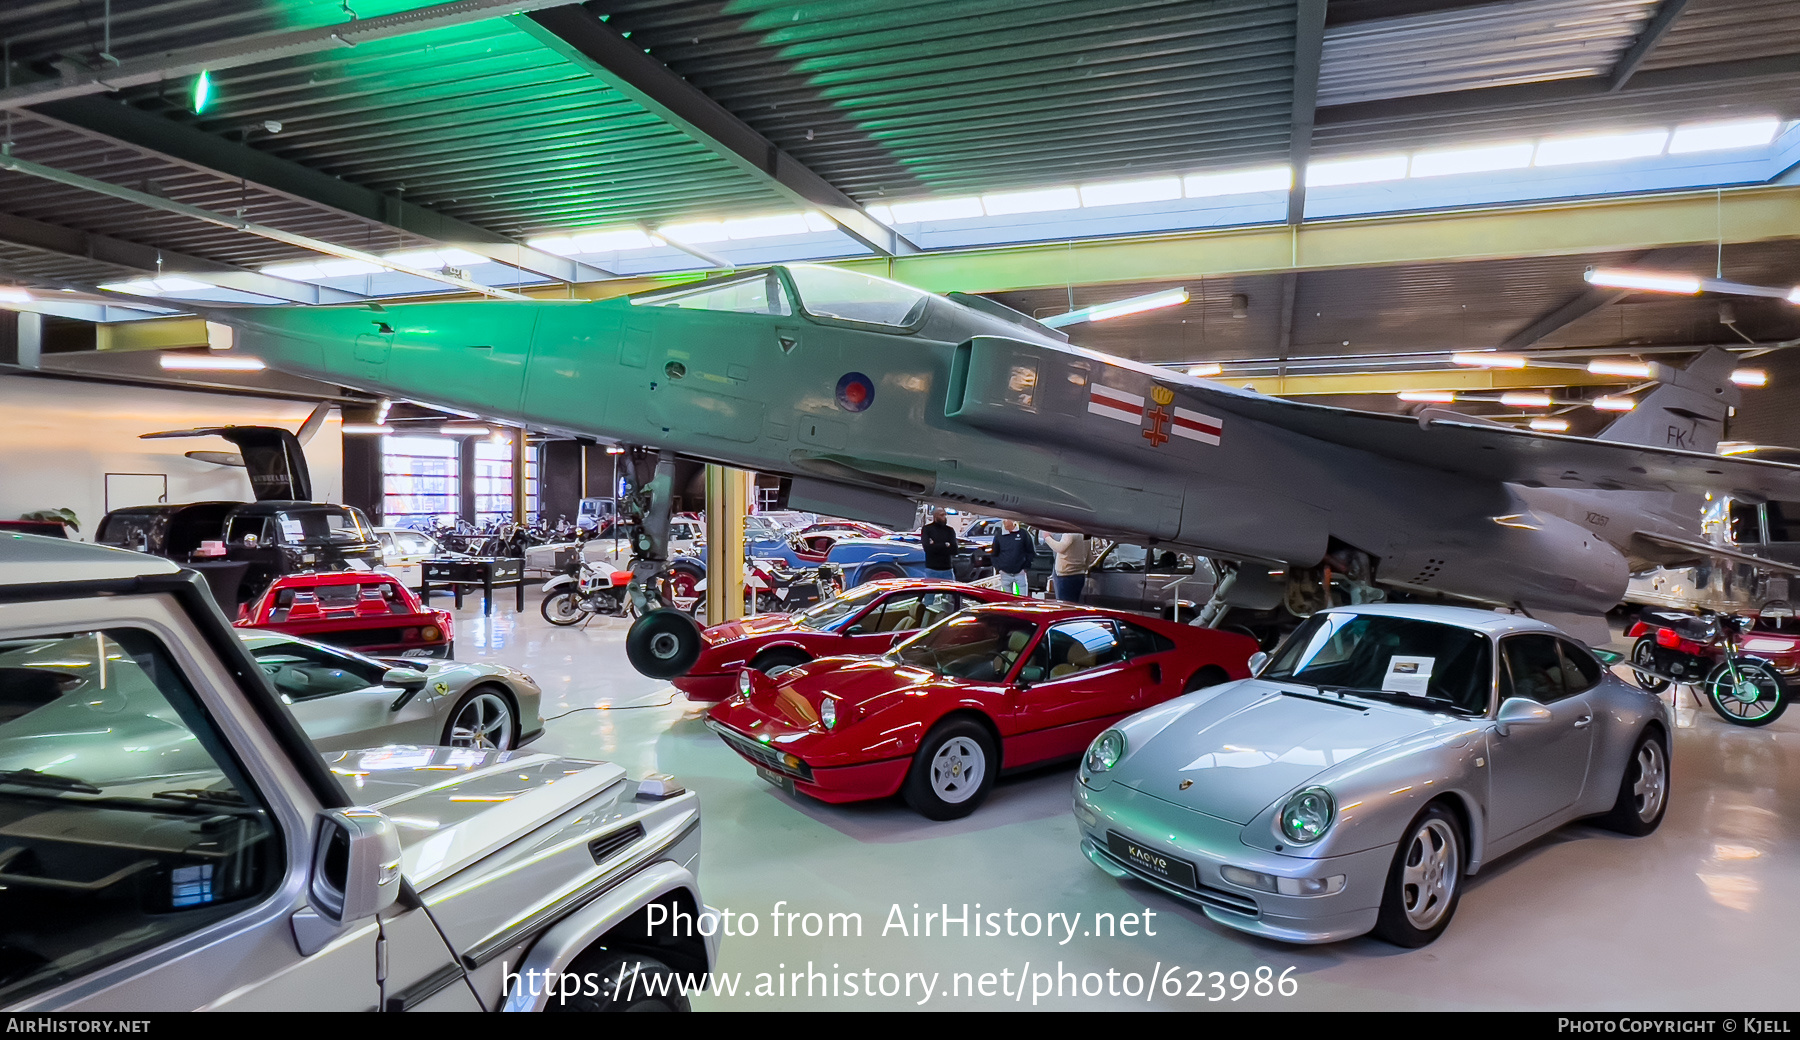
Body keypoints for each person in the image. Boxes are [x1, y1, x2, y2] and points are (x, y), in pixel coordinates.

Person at [1042, 531, 1092, 602]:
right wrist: (1085, 568)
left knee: (1064, 604)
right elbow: (1089, 555)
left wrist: (1047, 538)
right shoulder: (1086, 534)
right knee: (1075, 603)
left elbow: (1060, 548)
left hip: (1066, 574)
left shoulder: (1069, 533)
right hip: (1080, 574)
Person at [989, 519, 1033, 597]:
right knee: (1007, 598)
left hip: (1020, 572)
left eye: (1007, 520)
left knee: (1023, 598)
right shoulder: (999, 535)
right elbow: (994, 552)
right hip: (1005, 572)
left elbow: (1030, 551)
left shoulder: (1023, 533)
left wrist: (1026, 567)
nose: (1004, 522)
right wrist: (999, 568)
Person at [919, 507, 958, 580]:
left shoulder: (949, 530)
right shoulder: (927, 529)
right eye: (941, 515)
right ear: (935, 516)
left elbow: (954, 550)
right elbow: (927, 548)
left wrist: (935, 545)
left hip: (947, 569)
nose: (944, 517)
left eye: (945, 515)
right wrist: (945, 545)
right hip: (932, 569)